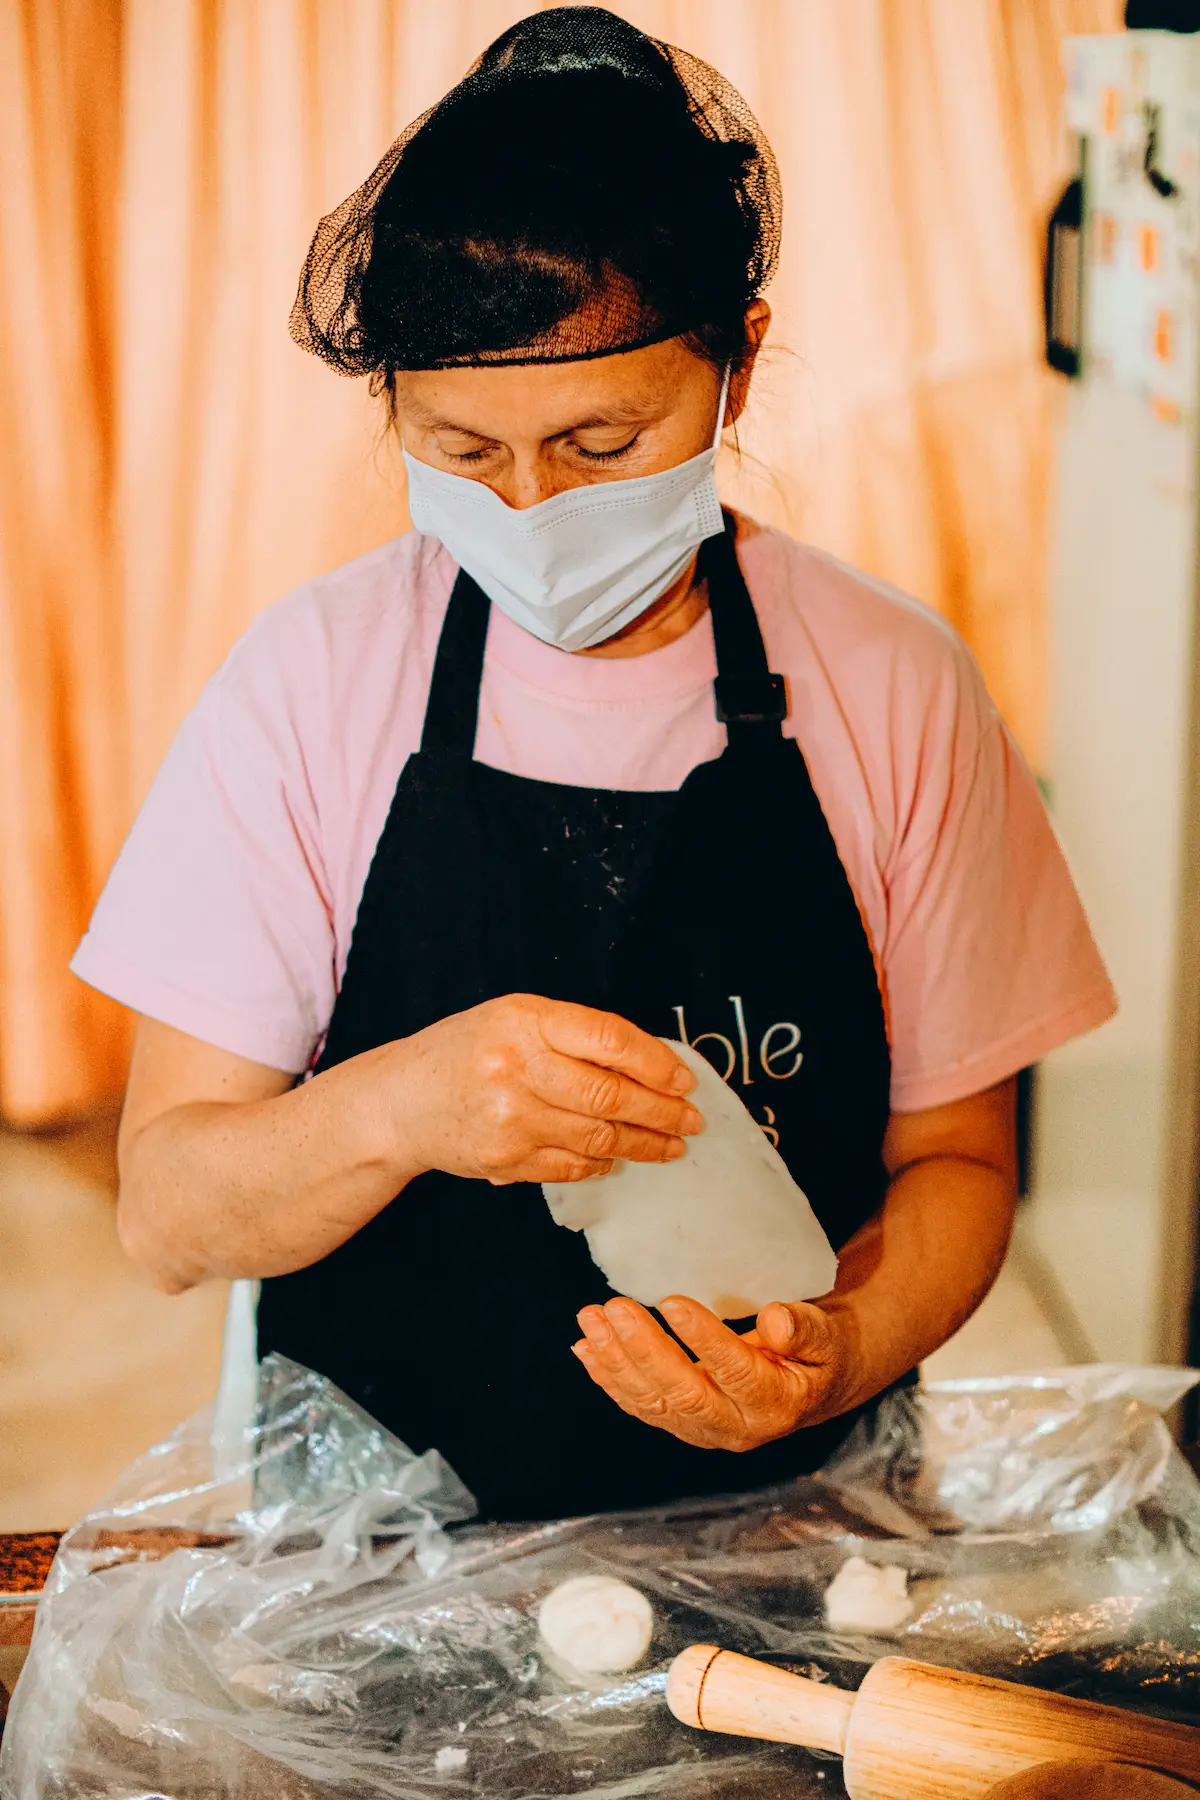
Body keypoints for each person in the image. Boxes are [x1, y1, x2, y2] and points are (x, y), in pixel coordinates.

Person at [73, 8, 1115, 1521]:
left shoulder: (893, 683)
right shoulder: (308, 684)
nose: (535, 507)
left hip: (792, 1520)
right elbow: (166, 1217)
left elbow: (956, 1162)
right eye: (462, 450)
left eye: (602, 442)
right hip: (383, 1553)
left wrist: (842, 1353)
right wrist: (403, 1106)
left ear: (735, 369)